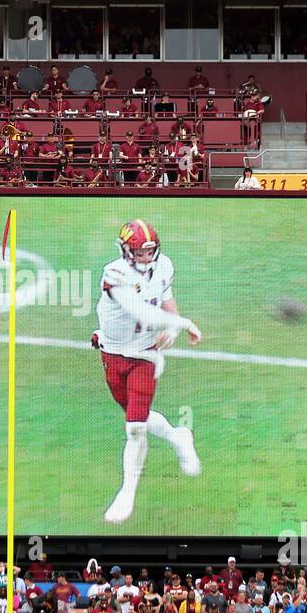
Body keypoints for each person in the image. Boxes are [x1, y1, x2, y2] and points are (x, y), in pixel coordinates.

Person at [95, 221, 203, 524]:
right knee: (134, 415)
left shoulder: (163, 266)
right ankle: (179, 436)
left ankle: (127, 491)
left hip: (145, 353)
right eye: (140, 252)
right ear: (126, 251)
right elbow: (140, 311)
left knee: (135, 428)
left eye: (150, 251)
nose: (146, 257)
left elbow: (165, 300)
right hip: (114, 352)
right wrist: (182, 324)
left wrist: (173, 322)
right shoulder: (114, 273)